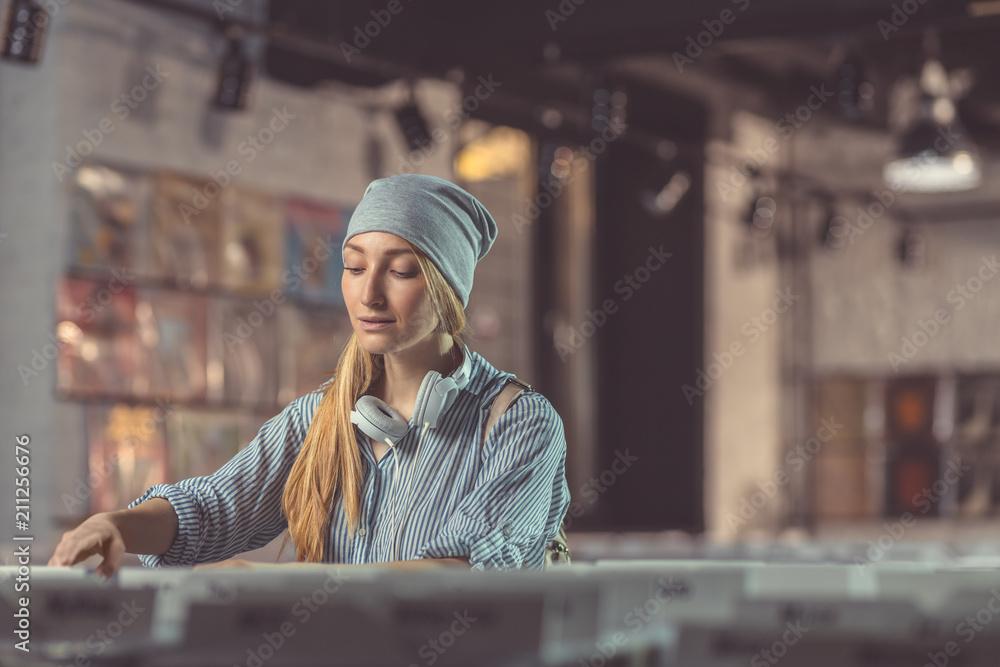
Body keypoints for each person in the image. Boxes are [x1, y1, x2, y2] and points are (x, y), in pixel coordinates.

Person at [48, 174, 570, 576]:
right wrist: (115, 524)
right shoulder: (319, 417)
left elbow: (465, 571)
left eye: (401, 270)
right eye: (354, 265)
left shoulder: (520, 423)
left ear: (447, 289)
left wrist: (278, 586)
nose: (369, 295)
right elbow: (213, 508)